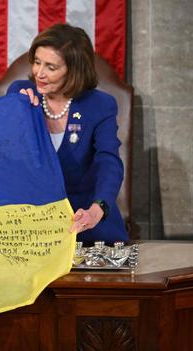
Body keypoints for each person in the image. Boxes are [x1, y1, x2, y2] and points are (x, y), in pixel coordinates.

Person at [8, 23, 128, 244]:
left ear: (74, 70)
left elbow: (109, 161)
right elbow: (4, 153)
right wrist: (16, 108)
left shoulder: (99, 105)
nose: (39, 73)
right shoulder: (20, 93)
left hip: (84, 220)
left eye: (51, 67)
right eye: (37, 62)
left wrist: (97, 208)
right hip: (32, 225)